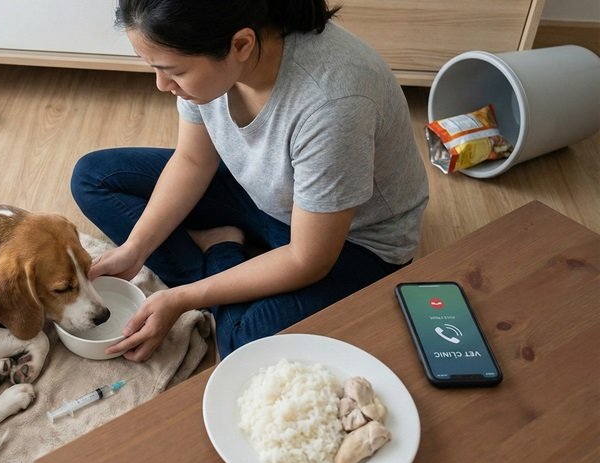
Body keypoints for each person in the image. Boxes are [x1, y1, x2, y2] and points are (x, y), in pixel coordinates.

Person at [71, 0, 428, 362]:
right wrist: (136, 249)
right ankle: (224, 276)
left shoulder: (332, 105)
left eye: (172, 71)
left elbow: (308, 259)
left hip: (352, 243)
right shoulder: (213, 55)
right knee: (92, 177)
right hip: (262, 192)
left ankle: (220, 251)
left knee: (245, 348)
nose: (162, 85)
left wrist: (184, 297)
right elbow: (194, 160)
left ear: (241, 45)